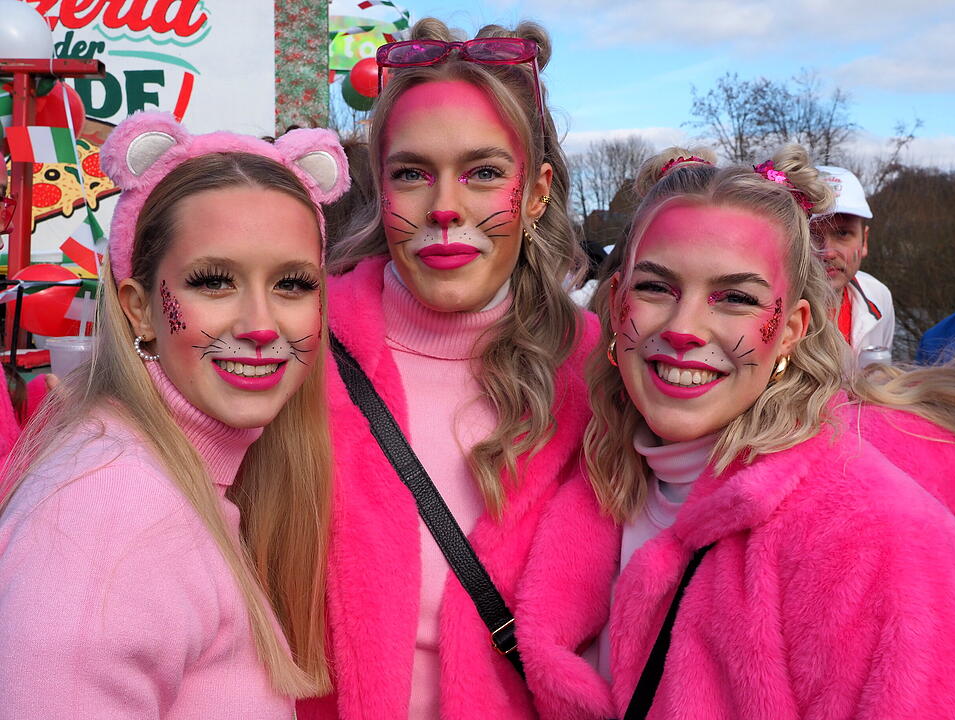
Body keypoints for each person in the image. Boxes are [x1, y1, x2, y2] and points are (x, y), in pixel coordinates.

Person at [515, 145, 955, 720]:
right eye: (656, 288)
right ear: (616, 297)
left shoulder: (874, 537)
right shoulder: (585, 478)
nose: (683, 329)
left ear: (793, 329)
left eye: (735, 298)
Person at [0, 111, 350, 718]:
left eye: (293, 284)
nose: (261, 325)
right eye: (215, 282)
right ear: (138, 309)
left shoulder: (164, 477)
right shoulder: (112, 510)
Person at [296, 18, 598, 720]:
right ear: (381, 185)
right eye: (412, 174)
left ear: (536, 191)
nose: (445, 209)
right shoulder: (296, 349)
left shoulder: (607, 377)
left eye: (484, 172)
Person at [810, 165, 894, 356]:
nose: (828, 253)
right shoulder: (770, 307)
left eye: (843, 233)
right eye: (812, 234)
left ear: (865, 241)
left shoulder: (879, 297)